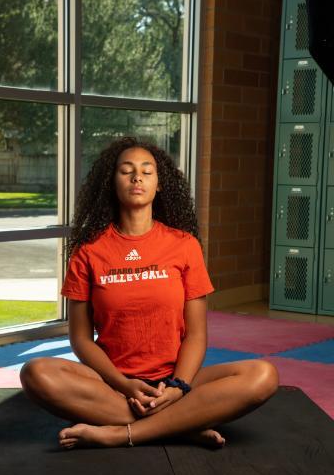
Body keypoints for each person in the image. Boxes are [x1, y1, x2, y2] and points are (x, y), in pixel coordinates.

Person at [20, 136, 279, 450]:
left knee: (263, 375)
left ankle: (122, 432)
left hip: (176, 381)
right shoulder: (87, 251)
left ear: (159, 184)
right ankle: (181, 426)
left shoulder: (184, 246)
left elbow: (196, 334)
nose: (137, 176)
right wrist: (124, 385)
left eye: (147, 170)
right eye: (126, 170)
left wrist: (179, 387)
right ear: (111, 183)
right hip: (111, 384)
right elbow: (81, 340)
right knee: (36, 373)